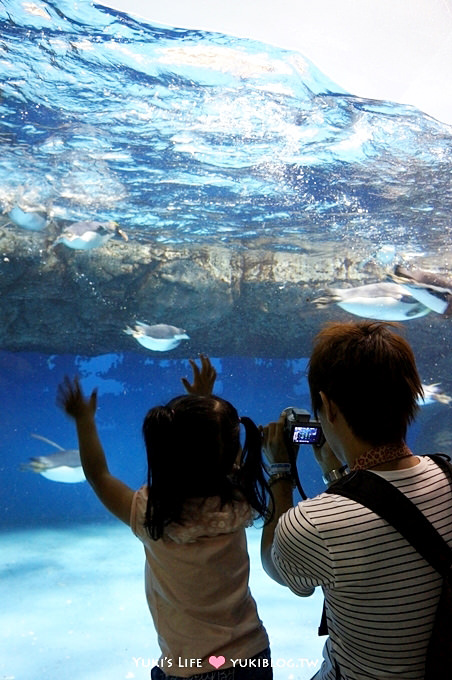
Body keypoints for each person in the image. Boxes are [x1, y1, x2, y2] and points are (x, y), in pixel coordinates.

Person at [57, 355, 273, 680]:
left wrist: (84, 421)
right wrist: (204, 401)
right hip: (251, 657)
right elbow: (210, 451)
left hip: (186, 668)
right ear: (233, 457)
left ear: (163, 458)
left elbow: (98, 476)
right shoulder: (241, 501)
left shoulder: (151, 514)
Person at [260, 320, 452, 680]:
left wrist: (281, 474)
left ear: (327, 407)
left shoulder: (314, 524)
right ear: (411, 396)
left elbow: (278, 567)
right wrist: (340, 477)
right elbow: (384, 505)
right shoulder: (449, 475)